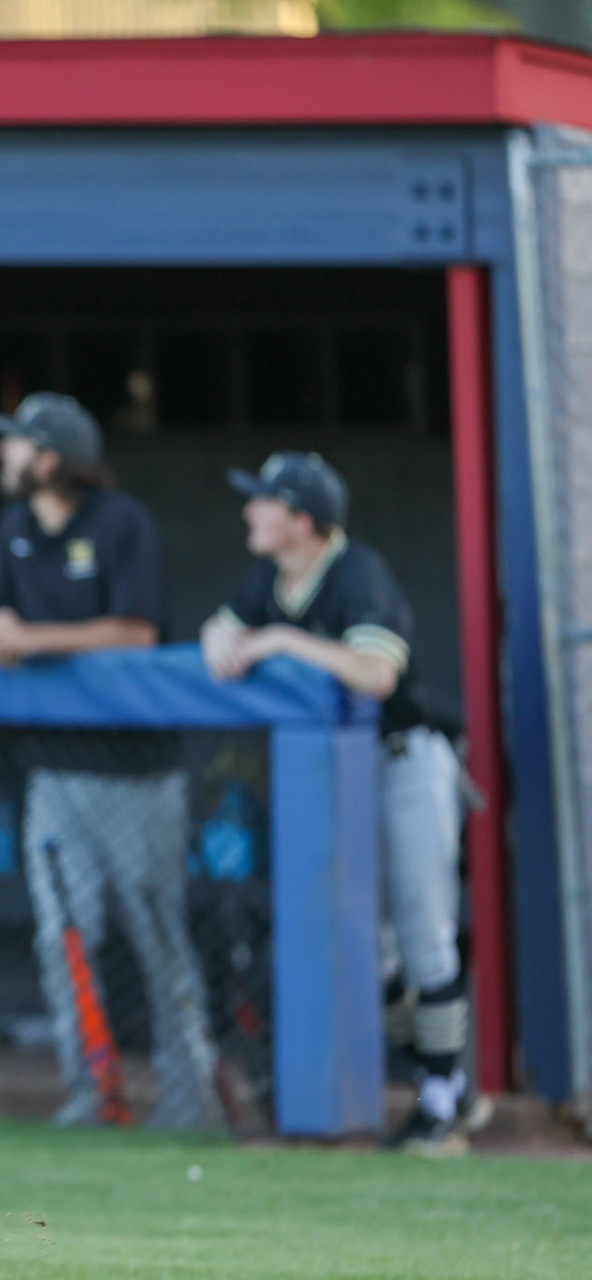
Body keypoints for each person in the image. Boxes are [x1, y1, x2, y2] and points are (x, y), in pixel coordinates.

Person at [201, 451, 487, 1155]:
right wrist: (225, 640)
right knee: (376, 952)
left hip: (404, 762)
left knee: (425, 933)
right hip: (339, 779)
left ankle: (440, 1104)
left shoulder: (358, 572)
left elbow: (377, 672)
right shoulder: (268, 577)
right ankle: (443, 1076)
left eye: (265, 503)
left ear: (303, 521)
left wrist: (280, 640)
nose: (250, 512)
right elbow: (220, 627)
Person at [0, 393, 221, 1130]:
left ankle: (189, 1096)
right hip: (54, 771)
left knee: (159, 940)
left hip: (138, 774)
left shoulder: (121, 522)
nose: (3, 454)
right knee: (64, 937)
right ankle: (95, 1089)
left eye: (16, 444)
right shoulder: (13, 526)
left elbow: (137, 631)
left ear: (50, 458)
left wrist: (29, 638)